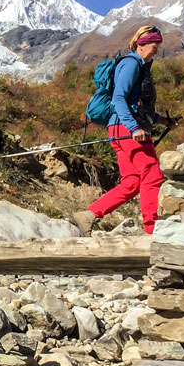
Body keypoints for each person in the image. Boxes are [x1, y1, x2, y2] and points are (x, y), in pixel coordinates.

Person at [72, 26, 165, 235]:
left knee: (132, 182)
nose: (156, 51)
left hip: (121, 129)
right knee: (152, 174)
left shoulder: (139, 66)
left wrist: (163, 121)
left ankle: (89, 215)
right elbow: (119, 99)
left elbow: (137, 106)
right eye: (153, 47)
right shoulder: (131, 64)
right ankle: (153, 230)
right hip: (127, 129)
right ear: (141, 45)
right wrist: (133, 128)